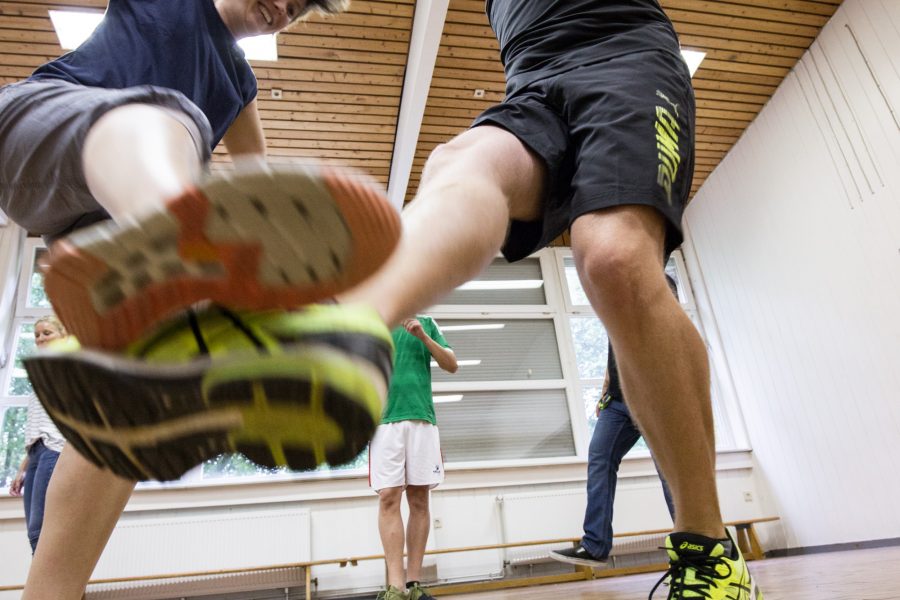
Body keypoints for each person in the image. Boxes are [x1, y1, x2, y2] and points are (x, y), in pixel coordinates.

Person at [337, 1, 760, 597]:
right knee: (454, 162)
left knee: (611, 258)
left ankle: (709, 552)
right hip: (533, 77)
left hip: (626, 51)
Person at [1, 0, 401, 481]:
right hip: (36, 133)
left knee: (123, 423)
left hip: (86, 222)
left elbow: (260, 184)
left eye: (294, 11)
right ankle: (188, 268)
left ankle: (184, 351)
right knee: (174, 122)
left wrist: (307, 294)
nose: (281, 10)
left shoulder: (240, 83)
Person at [371, 316, 457, 600]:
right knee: (388, 496)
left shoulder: (427, 323)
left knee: (419, 498)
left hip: (422, 420)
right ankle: (395, 588)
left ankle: (413, 585)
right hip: (384, 423)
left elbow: (451, 364)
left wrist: (423, 337)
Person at [9, 316, 69, 553]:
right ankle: (46, 589)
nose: (40, 338)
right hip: (36, 451)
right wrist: (22, 467)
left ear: (62, 335)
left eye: (47, 333)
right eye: (37, 335)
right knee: (34, 533)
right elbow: (38, 422)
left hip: (55, 448)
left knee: (40, 529)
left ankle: (50, 590)